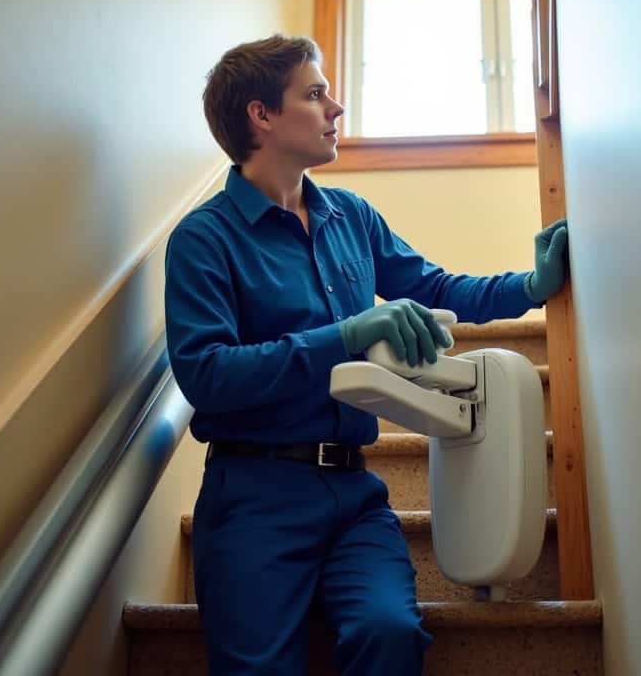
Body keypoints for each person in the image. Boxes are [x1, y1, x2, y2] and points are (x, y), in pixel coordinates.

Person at [164, 34, 570, 675]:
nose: (336, 108)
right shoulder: (203, 238)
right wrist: (346, 336)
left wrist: (529, 286)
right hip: (254, 497)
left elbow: (436, 287)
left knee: (390, 632)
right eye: (315, 94)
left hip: (355, 496)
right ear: (261, 115)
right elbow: (208, 374)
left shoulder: (349, 215)